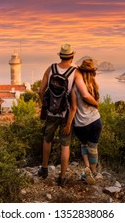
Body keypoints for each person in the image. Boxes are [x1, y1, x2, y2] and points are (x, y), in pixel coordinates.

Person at [37, 44, 98, 187]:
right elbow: (84, 94)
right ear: (72, 57)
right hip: (66, 114)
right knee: (65, 145)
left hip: (51, 112)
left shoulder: (50, 69)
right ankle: (62, 177)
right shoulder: (75, 73)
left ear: (60, 56)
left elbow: (41, 91)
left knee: (47, 140)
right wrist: (96, 103)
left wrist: (45, 105)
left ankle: (44, 169)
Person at [65, 58, 102, 184]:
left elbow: (73, 108)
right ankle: (91, 173)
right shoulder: (94, 86)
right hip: (95, 121)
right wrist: (97, 105)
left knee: (84, 145)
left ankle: (87, 168)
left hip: (81, 124)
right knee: (94, 148)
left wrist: (68, 125)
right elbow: (96, 102)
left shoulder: (75, 87)